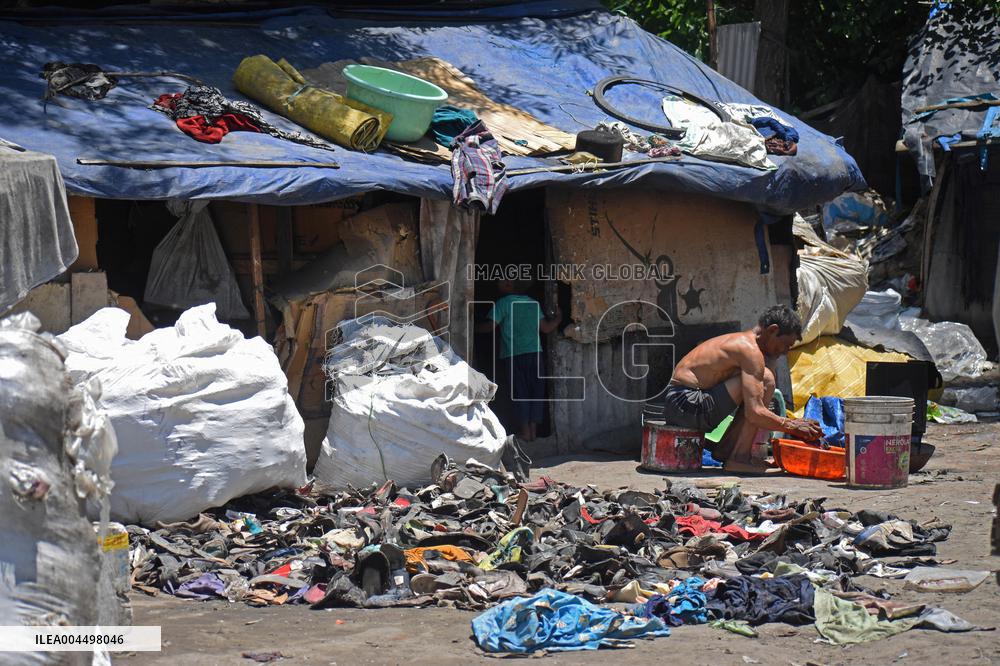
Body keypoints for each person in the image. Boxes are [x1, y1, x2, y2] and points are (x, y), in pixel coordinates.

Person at [662, 304, 822, 473]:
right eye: (786, 345)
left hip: (684, 403)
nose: (785, 352)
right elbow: (755, 413)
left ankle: (726, 451)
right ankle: (739, 458)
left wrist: (792, 423)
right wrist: (792, 425)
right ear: (773, 330)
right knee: (766, 379)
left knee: (761, 380)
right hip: (684, 403)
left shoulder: (750, 346)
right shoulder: (749, 350)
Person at [477, 280, 562, 442]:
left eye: (501, 281)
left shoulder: (503, 303)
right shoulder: (533, 304)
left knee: (519, 393)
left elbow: (490, 326)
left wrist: (473, 327)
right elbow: (546, 328)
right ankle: (533, 432)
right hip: (535, 355)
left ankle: (525, 433)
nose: (498, 284)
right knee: (535, 392)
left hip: (513, 356)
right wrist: (558, 318)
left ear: (510, 285)